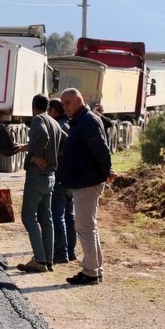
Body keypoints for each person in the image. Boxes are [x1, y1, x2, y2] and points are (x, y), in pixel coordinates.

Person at [59, 87, 116, 285]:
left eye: (67, 103)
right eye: (62, 103)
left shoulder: (88, 121)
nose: (64, 107)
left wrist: (106, 173)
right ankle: (94, 269)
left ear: (79, 101)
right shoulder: (81, 120)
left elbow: (102, 150)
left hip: (87, 182)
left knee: (84, 227)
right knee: (88, 227)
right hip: (85, 180)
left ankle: (91, 272)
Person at [14, 93, 66, 274]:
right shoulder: (54, 122)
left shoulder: (37, 120)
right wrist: (25, 147)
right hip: (50, 176)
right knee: (47, 217)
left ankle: (39, 259)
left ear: (33, 106)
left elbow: (43, 136)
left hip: (36, 177)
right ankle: (48, 259)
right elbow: (62, 141)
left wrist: (36, 155)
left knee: (28, 217)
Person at [48, 97, 76, 264]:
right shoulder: (71, 124)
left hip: (60, 176)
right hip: (72, 176)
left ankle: (61, 252)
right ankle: (71, 251)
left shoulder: (57, 126)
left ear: (53, 110)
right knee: (69, 214)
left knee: (56, 214)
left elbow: (52, 150)